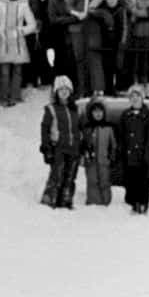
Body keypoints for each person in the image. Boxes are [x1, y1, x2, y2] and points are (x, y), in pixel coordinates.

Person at [40, 76, 81, 209]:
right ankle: (50, 199)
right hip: (58, 148)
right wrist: (46, 147)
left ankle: (66, 200)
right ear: (56, 92)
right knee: (57, 174)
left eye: (67, 89)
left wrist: (83, 143)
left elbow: (80, 129)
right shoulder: (51, 109)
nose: (64, 92)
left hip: (73, 148)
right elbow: (45, 128)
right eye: (61, 89)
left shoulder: (75, 110)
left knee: (70, 176)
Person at [114, 85, 149, 214]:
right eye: (132, 96)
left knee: (143, 180)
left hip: (143, 155)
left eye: (137, 96)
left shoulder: (148, 115)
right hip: (129, 154)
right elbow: (121, 135)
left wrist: (148, 154)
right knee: (130, 179)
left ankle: (143, 203)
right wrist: (121, 151)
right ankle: (132, 202)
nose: (135, 98)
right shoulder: (125, 115)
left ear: (142, 98)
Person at [79, 99, 114, 206]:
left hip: (104, 161)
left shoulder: (108, 128)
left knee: (105, 181)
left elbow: (113, 144)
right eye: (95, 111)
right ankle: (93, 203)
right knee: (92, 181)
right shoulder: (87, 128)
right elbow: (82, 143)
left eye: (100, 111)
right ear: (91, 113)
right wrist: (83, 155)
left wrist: (112, 157)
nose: (98, 114)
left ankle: (105, 202)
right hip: (91, 161)